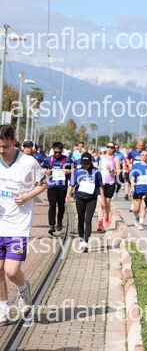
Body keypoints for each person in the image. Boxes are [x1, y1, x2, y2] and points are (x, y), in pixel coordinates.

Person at [0, 125, 48, 324]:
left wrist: (27, 196)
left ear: (14, 142)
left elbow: (44, 183)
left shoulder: (28, 162)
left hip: (18, 226)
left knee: (11, 271)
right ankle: (4, 309)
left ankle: (23, 287)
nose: (1, 151)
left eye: (5, 146)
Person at [66, 152, 104, 252]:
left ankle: (86, 242)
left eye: (87, 163)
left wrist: (103, 199)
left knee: (88, 220)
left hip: (92, 198)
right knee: (81, 219)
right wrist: (68, 195)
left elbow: (100, 186)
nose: (85, 165)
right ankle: (81, 241)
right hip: (80, 198)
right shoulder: (77, 172)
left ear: (91, 162)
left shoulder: (96, 172)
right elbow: (72, 184)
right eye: (84, 163)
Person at [42, 142, 73, 235]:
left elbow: (74, 168)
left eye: (59, 152)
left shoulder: (67, 159)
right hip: (52, 187)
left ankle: (59, 221)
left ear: (62, 151)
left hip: (62, 187)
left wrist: (68, 171)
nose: (57, 154)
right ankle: (52, 225)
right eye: (55, 152)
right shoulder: (49, 159)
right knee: (52, 206)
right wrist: (46, 171)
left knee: (61, 206)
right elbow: (44, 167)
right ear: (53, 151)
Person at [98, 142, 121, 232]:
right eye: (108, 147)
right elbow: (99, 167)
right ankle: (100, 223)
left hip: (110, 183)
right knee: (101, 203)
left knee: (107, 203)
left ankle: (106, 216)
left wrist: (112, 169)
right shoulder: (101, 157)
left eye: (112, 147)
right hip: (101, 183)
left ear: (114, 149)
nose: (110, 149)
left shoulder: (116, 158)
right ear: (106, 147)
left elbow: (118, 171)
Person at [130, 150, 147, 230]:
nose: (144, 156)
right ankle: (136, 217)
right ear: (140, 156)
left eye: (146, 155)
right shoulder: (136, 166)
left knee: (144, 206)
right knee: (136, 209)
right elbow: (132, 177)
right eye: (142, 154)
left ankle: (141, 223)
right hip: (137, 189)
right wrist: (132, 185)